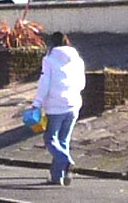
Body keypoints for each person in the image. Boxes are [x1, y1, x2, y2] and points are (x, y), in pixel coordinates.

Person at [32, 31, 85, 187]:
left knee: (50, 139)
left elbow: (44, 83)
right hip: (74, 104)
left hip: (55, 106)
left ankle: (65, 161)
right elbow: (82, 83)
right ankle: (57, 177)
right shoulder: (78, 60)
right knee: (63, 141)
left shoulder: (49, 60)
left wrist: (37, 103)